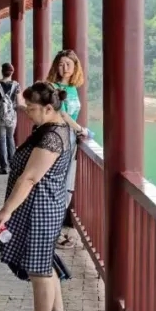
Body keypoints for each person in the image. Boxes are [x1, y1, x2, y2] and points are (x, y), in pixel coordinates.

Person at [0, 83, 76, 311]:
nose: (27, 111)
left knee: (39, 271)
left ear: (48, 108)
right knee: (43, 264)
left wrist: (5, 211)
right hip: (41, 206)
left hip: (41, 209)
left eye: (31, 107)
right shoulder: (54, 127)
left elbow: (30, 178)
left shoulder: (52, 137)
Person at [44, 49, 90, 249]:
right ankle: (51, 232)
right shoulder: (52, 88)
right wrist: (81, 129)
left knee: (65, 184)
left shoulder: (73, 88)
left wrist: (77, 131)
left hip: (70, 139)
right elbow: (61, 114)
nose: (65, 68)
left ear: (75, 67)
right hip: (57, 138)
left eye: (68, 64)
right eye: (61, 64)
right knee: (54, 183)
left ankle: (54, 230)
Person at [0, 63, 20, 174]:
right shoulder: (16, 85)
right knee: (10, 138)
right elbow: (19, 102)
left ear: (2, 71)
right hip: (11, 117)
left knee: (2, 140)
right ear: (12, 72)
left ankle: (3, 167)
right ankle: (12, 165)